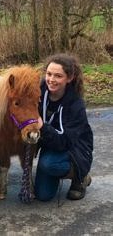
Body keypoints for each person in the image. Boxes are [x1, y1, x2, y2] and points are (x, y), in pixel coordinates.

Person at [35, 53, 93, 201]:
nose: (51, 80)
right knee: (43, 196)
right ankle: (53, 169)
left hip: (73, 148)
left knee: (48, 164)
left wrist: (41, 126)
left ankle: (80, 176)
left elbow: (64, 142)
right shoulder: (39, 91)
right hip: (51, 143)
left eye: (58, 76)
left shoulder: (75, 104)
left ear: (69, 78)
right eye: (49, 74)